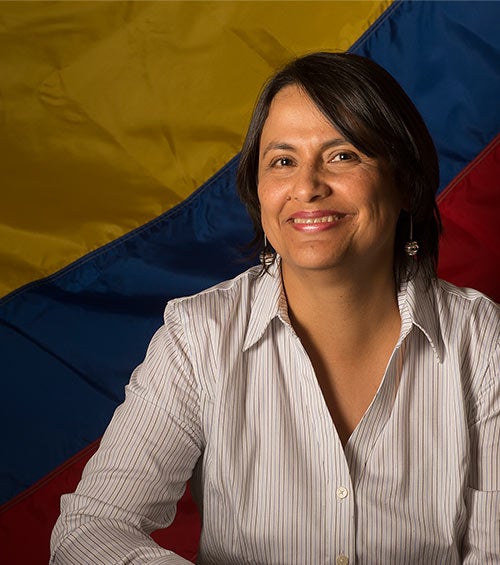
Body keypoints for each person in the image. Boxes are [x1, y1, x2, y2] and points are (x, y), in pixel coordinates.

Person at [50, 52, 500, 564]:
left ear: (403, 182)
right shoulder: (199, 335)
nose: (307, 187)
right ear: (257, 189)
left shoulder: (481, 339)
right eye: (283, 161)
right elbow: (90, 528)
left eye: (343, 155)